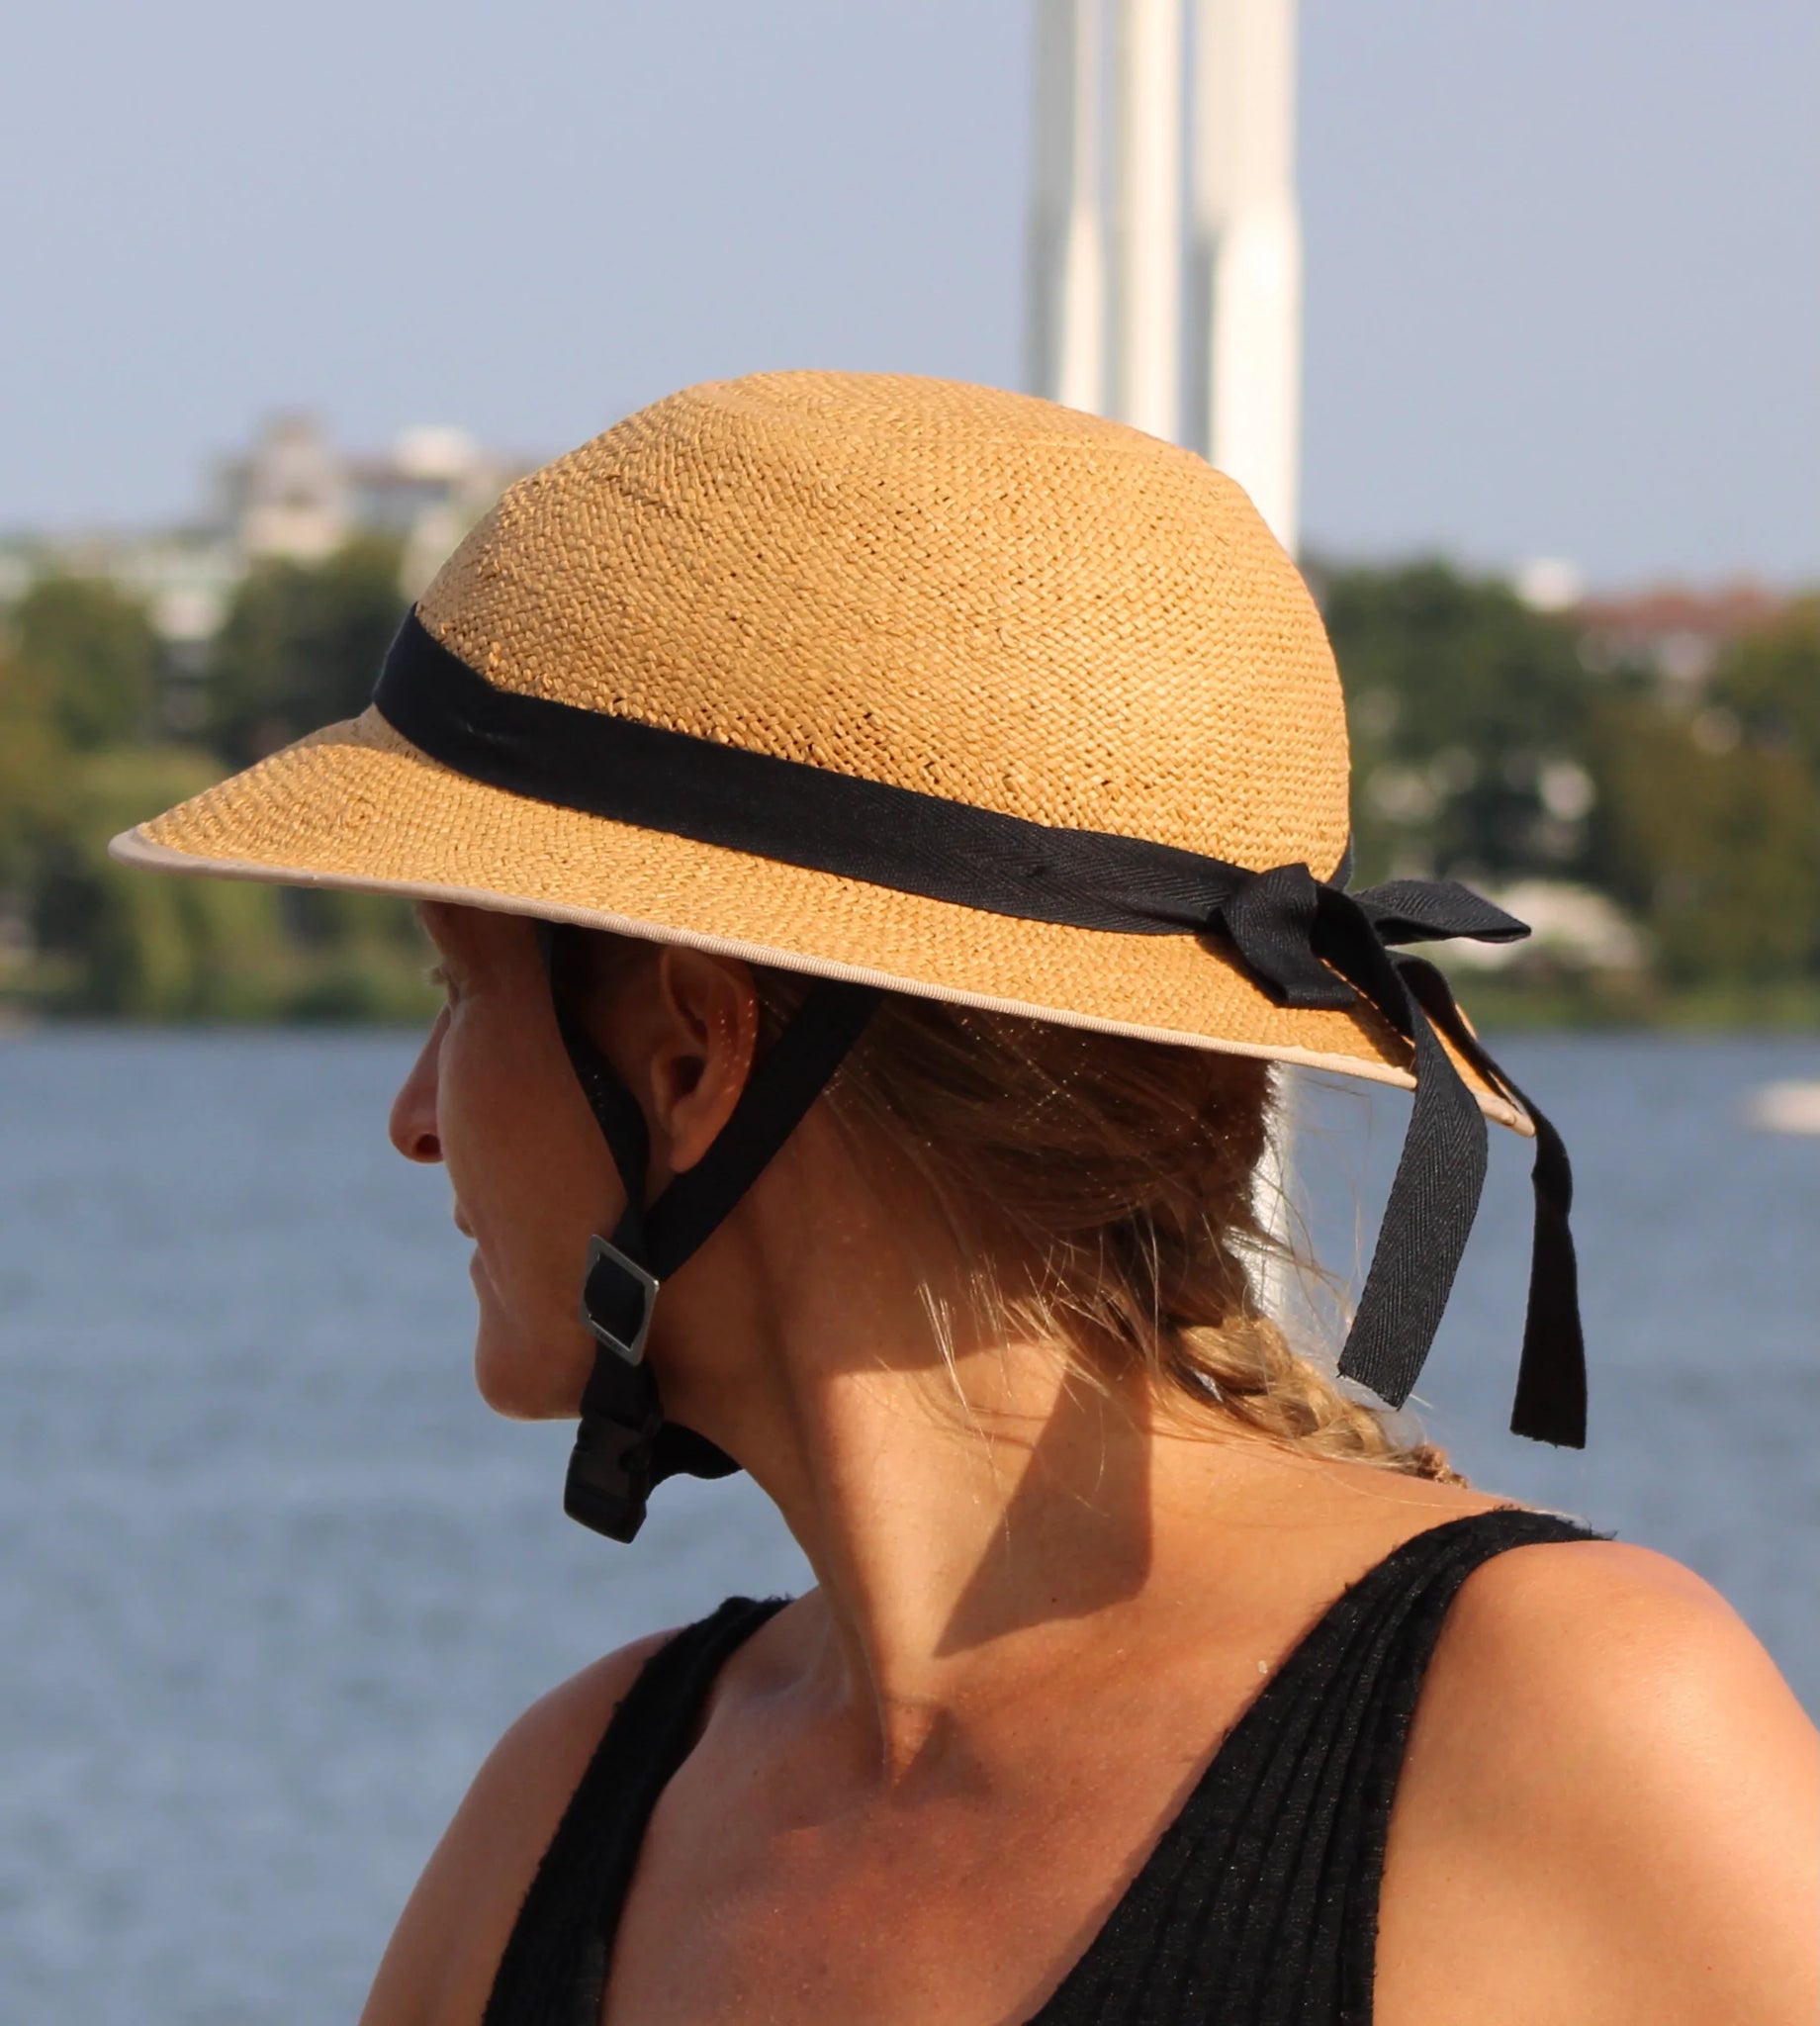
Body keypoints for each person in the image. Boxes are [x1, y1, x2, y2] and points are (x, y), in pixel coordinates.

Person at [114, 374, 1816, 2026]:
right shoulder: (562, 1816)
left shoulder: (1562, 1731)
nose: (414, 1122)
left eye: (454, 991)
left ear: (693, 1057)